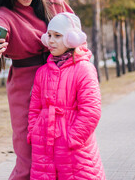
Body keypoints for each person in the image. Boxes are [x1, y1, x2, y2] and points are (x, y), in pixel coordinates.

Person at [0, 0, 74, 179]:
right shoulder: (4, 15)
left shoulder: (54, 3)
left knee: (62, 151)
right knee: (27, 155)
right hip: (24, 86)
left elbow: (75, 35)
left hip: (59, 80)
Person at [27, 12, 105, 179]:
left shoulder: (84, 69)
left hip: (73, 148)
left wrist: (73, 139)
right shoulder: (42, 72)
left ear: (71, 38)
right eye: (49, 35)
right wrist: (34, 132)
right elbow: (34, 108)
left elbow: (91, 110)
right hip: (44, 146)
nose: (51, 40)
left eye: (57, 35)